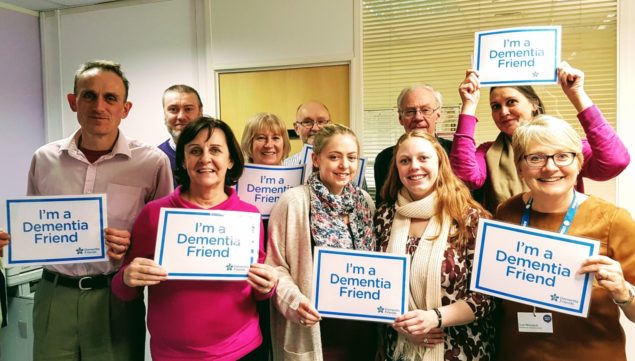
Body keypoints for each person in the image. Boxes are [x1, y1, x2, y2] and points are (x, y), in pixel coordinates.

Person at [26, 60, 173, 360]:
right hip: (54, 294)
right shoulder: (44, 159)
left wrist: (132, 247)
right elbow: (35, 228)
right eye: (89, 95)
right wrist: (13, 239)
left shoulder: (152, 163)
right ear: (73, 101)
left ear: (125, 108)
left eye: (111, 98)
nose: (99, 106)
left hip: (114, 297)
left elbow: (163, 241)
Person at [111, 117, 278, 360]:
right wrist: (126, 278)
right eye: (195, 151)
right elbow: (123, 291)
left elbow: (258, 289)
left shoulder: (248, 215)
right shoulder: (155, 214)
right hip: (174, 355)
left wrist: (267, 286)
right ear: (183, 160)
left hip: (243, 350)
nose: (205, 159)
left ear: (230, 160)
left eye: (215, 150)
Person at [494, 115, 635, 361]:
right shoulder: (506, 212)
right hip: (517, 353)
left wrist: (624, 294)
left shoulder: (613, 220)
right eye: (535, 157)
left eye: (563, 156)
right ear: (520, 167)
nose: (550, 167)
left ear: (579, 162)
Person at [374, 130, 494, 360]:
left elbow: (486, 298)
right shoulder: (384, 217)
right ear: (396, 168)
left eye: (423, 158)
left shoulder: (470, 218)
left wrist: (434, 318)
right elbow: (375, 288)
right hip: (398, 348)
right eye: (405, 161)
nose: (414, 166)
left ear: (440, 162)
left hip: (459, 348)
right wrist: (400, 323)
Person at [451, 61, 630, 213]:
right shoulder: (488, 151)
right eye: (495, 106)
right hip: (508, 246)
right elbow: (466, 176)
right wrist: (469, 104)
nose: (503, 112)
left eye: (511, 102)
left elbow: (614, 162)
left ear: (534, 104)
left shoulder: (566, 146)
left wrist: (576, 94)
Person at [267, 124, 377, 360]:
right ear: (316, 159)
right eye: (334, 157)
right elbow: (275, 266)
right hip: (314, 327)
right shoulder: (293, 202)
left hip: (362, 331)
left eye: (351, 157)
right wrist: (294, 302)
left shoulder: (365, 202)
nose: (344, 165)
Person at [240, 112, 291, 359]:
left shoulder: (298, 181)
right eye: (261, 138)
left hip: (287, 277)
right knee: (258, 346)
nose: (269, 145)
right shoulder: (233, 183)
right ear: (249, 143)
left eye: (276, 137)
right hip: (251, 280)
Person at [374, 85, 452, 205]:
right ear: (400, 118)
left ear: (438, 114)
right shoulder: (384, 159)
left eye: (425, 110)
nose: (418, 117)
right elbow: (383, 205)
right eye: (410, 111)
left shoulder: (455, 152)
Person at [158, 84, 204, 184]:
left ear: (200, 112)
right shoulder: (155, 159)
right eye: (173, 109)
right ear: (165, 114)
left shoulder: (218, 156)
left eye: (188, 109)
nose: (181, 116)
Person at [283, 100, 331, 165]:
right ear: (296, 128)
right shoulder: (285, 167)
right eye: (307, 122)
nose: (315, 128)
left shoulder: (344, 166)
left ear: (330, 126)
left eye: (321, 122)